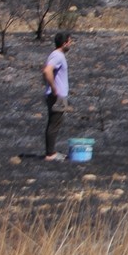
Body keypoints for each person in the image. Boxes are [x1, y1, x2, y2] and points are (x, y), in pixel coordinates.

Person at [41, 32, 73, 161]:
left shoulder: (56, 55)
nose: (71, 44)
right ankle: (50, 154)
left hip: (56, 95)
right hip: (57, 96)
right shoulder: (57, 56)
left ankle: (51, 152)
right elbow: (47, 71)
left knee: (54, 123)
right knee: (54, 124)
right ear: (64, 43)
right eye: (70, 42)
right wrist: (54, 88)